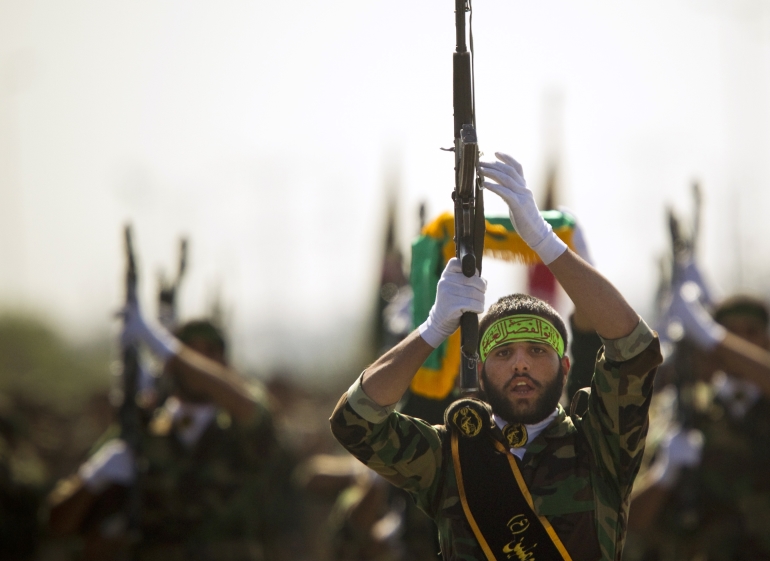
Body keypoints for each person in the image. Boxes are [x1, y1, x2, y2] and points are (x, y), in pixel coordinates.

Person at [330, 152, 663, 561]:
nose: (520, 363)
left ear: (566, 367)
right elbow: (355, 421)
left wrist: (545, 242)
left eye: (537, 351)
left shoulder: (599, 446)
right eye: (503, 352)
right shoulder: (450, 458)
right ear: (481, 374)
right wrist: (433, 329)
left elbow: (634, 348)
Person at [47, 298, 278, 561]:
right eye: (190, 350)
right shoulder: (142, 432)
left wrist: (164, 347)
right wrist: (94, 478)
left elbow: (248, 407)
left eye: (211, 352)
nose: (200, 359)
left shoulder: (239, 423)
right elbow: (58, 525)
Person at [628, 281, 770, 561]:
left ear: (769, 342)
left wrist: (712, 336)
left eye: (751, 332)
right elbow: (632, 521)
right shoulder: (686, 411)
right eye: (729, 332)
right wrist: (663, 475)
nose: (738, 341)